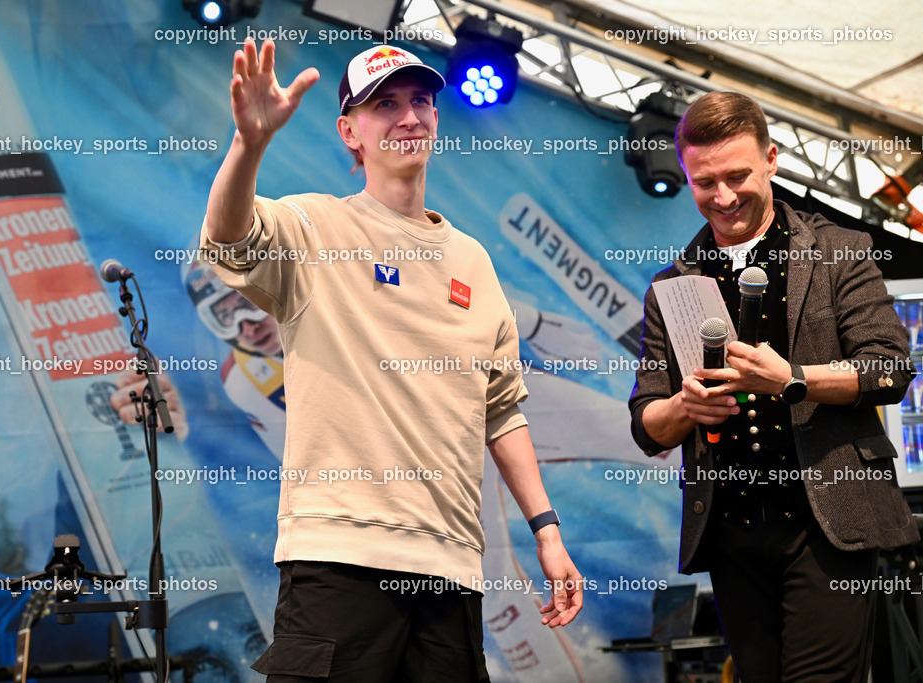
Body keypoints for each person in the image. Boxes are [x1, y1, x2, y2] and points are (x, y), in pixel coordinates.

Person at [198, 39, 583, 680]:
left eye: (420, 101)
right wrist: (250, 144)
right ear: (351, 131)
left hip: (449, 570)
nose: (408, 116)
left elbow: (503, 411)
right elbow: (229, 240)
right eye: (385, 105)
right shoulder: (314, 228)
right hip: (340, 555)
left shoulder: (473, 263)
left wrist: (547, 530)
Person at [628, 90, 919, 681]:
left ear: (772, 160)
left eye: (738, 175)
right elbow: (646, 424)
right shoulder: (672, 283)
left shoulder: (839, 252)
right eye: (704, 182)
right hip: (731, 535)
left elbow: (890, 368)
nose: (724, 196)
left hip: (830, 529)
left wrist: (795, 380)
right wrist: (686, 406)